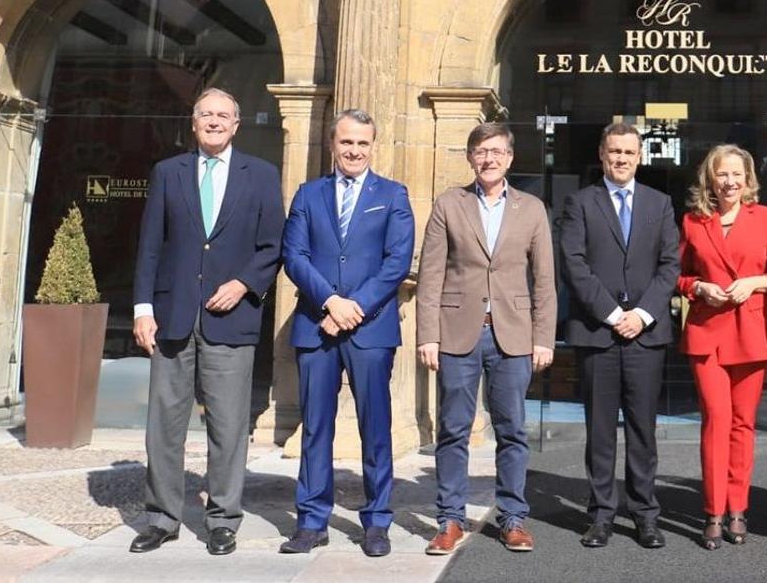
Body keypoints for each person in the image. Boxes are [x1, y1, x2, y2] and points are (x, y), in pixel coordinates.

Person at [130, 88, 284, 555]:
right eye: (206, 115)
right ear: (193, 123)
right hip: (172, 317)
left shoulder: (260, 175)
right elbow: (150, 246)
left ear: (237, 124)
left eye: (223, 115)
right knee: (164, 424)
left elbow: (272, 246)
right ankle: (161, 517)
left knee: (229, 425)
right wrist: (142, 309)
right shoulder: (168, 172)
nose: (215, 121)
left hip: (231, 318)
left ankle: (222, 519)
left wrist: (243, 284)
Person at [278, 109, 415, 556]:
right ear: (332, 145)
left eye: (363, 143)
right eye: (346, 143)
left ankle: (376, 522)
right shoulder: (308, 193)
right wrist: (330, 302)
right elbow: (294, 255)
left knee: (376, 426)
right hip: (317, 325)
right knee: (316, 427)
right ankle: (311, 521)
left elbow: (397, 262)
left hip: (370, 329)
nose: (354, 151)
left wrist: (353, 307)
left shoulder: (393, 195)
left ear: (373, 146)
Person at [415, 123, 557, 555]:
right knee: (453, 430)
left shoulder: (531, 208)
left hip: (513, 335)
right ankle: (450, 519)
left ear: (510, 158)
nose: (489, 159)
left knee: (512, 429)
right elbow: (431, 274)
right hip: (459, 331)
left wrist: (544, 336)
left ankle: (513, 518)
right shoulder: (448, 204)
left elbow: (545, 279)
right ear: (470, 157)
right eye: (481, 151)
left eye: (497, 151)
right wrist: (428, 335)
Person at [560, 122, 680, 550]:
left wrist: (643, 314)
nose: (622, 159)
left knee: (643, 430)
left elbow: (670, 266)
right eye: (615, 152)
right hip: (599, 334)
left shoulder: (660, 203)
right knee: (599, 430)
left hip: (645, 336)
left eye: (629, 152)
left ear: (640, 156)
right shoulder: (581, 203)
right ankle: (601, 514)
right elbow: (574, 264)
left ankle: (645, 514)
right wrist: (613, 314)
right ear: (602, 154)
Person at [677, 144, 767, 550]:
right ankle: (713, 512)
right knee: (716, 420)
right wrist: (698, 287)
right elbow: (680, 275)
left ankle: (738, 508)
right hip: (708, 332)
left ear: (748, 178)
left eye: (737, 174)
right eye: (722, 174)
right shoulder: (693, 221)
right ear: (710, 178)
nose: (730, 182)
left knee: (743, 424)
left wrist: (754, 282)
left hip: (751, 330)